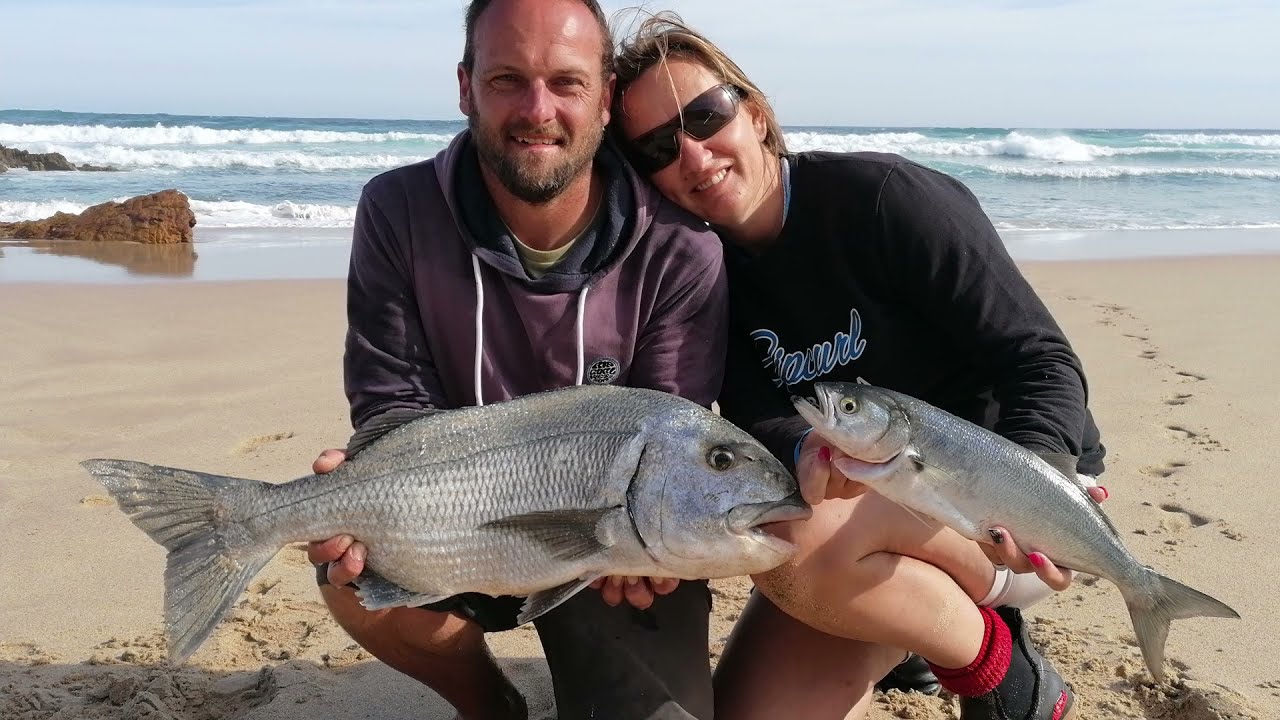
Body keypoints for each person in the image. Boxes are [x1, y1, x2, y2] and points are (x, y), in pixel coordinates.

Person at [610, 13, 1109, 720]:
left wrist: (1040, 471)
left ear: (753, 111)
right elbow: (759, 412)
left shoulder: (884, 202)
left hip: (1013, 506)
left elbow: (1036, 356)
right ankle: (914, 633)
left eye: (705, 116)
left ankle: (1006, 675)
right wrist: (806, 451)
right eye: (659, 147)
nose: (693, 156)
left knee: (794, 545)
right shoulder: (703, 277)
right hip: (867, 517)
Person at [305, 2, 731, 719]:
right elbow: (392, 402)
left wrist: (642, 549)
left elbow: (669, 430)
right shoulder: (398, 210)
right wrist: (358, 493)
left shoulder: (682, 250)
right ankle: (490, 705)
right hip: (454, 526)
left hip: (607, 546)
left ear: (605, 96)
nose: (538, 110)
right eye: (508, 79)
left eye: (566, 82)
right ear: (467, 87)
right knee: (346, 574)